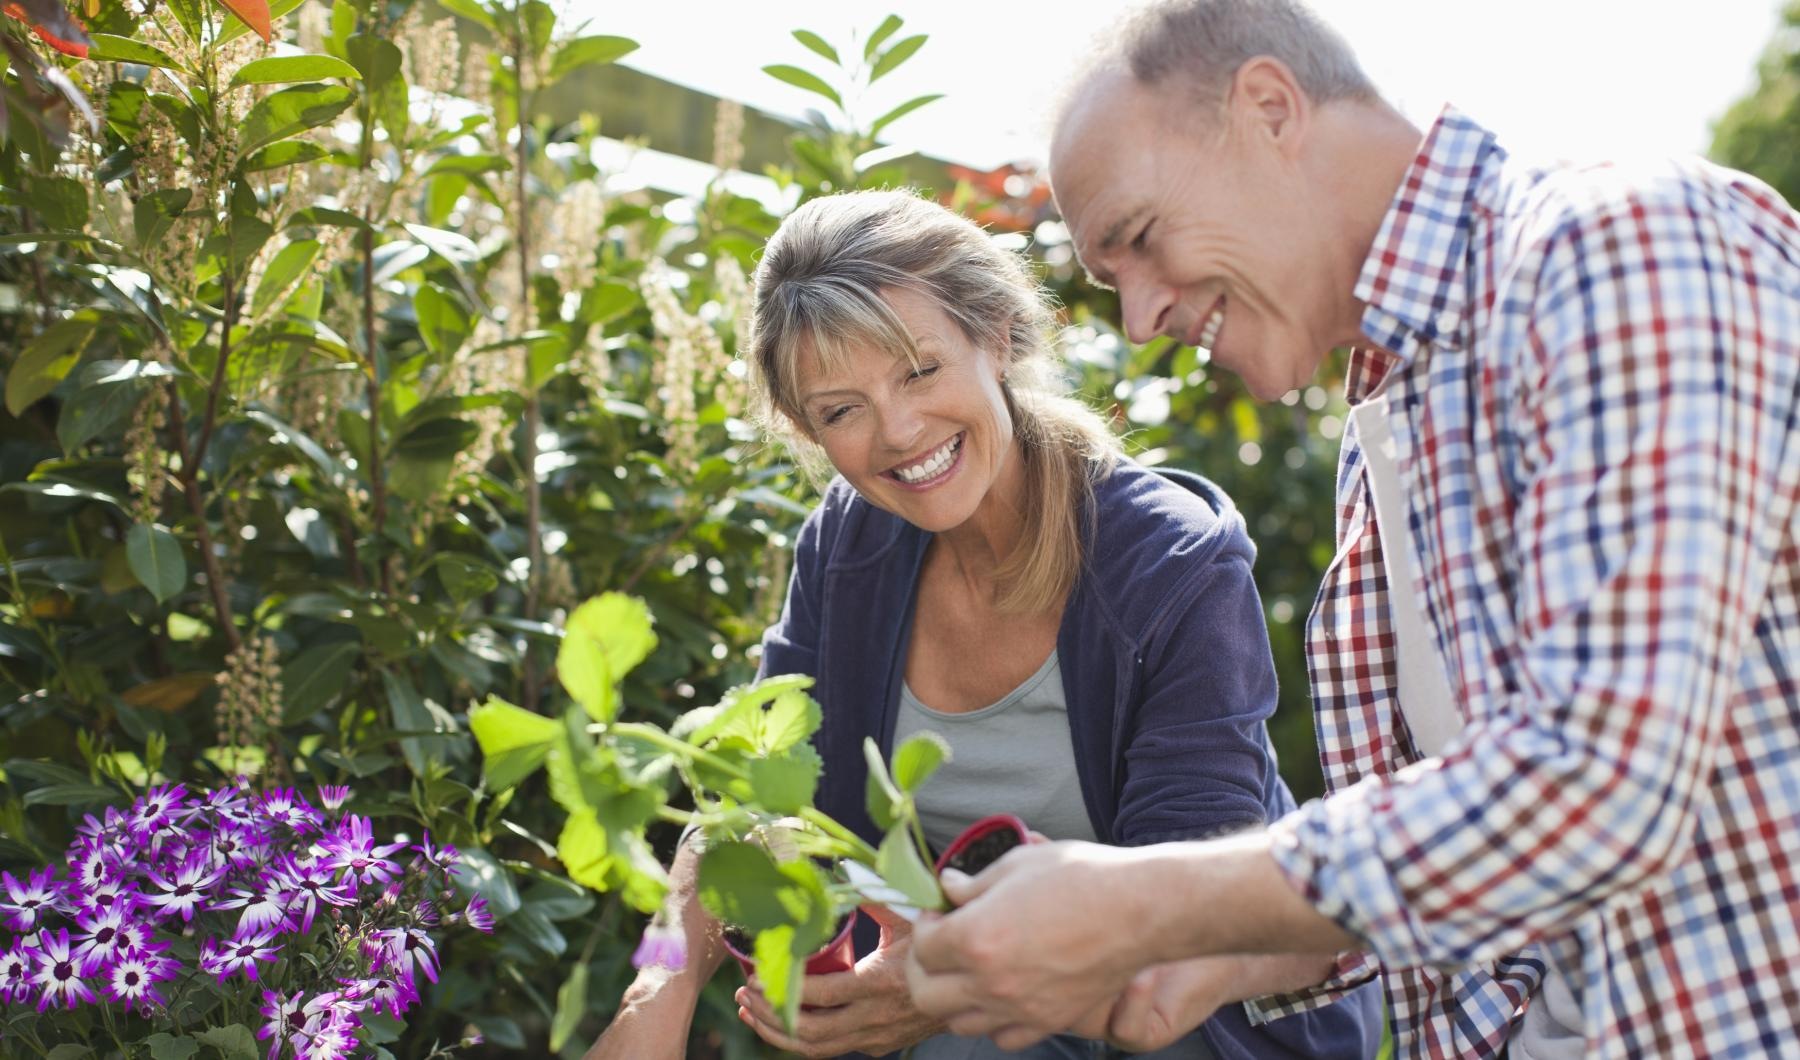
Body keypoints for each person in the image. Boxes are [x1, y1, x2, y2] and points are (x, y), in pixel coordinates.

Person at [904, 1, 1800, 1057]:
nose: (1139, 318)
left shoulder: (1617, 246)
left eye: (1140, 241)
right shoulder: (1398, 415)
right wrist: (1218, 953)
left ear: (1271, 108)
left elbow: (1601, 780)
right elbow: (1489, 854)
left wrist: (1150, 899)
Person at [586, 189, 1382, 1059]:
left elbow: (1186, 920)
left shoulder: (1170, 565)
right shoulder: (849, 549)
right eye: (841, 410)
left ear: (997, 336)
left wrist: (939, 994)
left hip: (1197, 1025)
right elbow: (745, 796)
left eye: (920, 370)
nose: (897, 432)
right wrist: (653, 993)